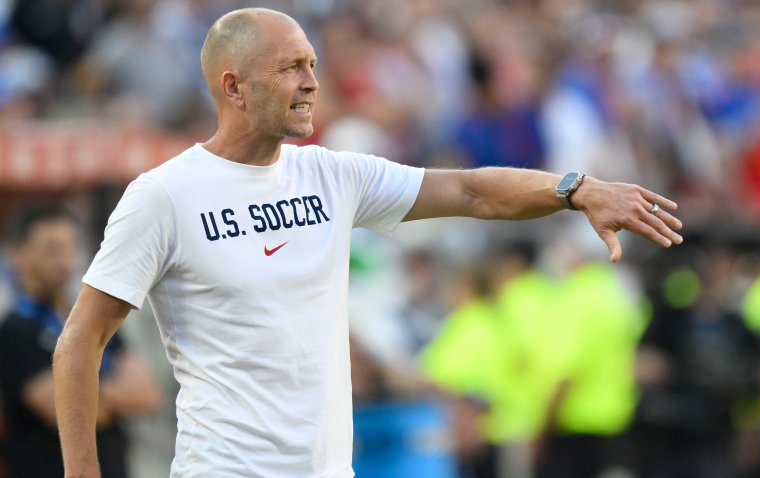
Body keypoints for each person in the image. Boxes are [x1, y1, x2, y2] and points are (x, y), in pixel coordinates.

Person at [53, 8, 683, 478]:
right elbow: (81, 339)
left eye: (312, 65)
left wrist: (575, 189)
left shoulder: (332, 175)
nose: (310, 82)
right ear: (233, 86)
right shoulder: (164, 195)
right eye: (290, 68)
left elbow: (468, 191)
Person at [0, 205, 161, 478]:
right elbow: (56, 410)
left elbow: (147, 394)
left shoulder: (90, 320)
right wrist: (110, 392)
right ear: (19, 256)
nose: (64, 262)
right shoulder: (13, 333)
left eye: (69, 248)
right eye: (51, 250)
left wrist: (76, 389)